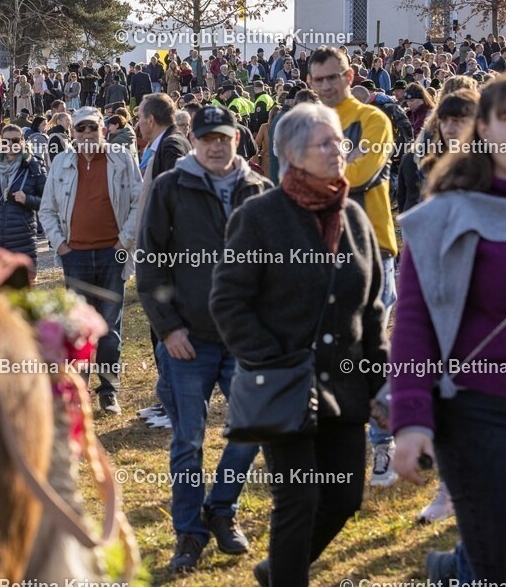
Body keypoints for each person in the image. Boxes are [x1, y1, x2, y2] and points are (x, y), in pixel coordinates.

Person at [210, 103, 389, 587]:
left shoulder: (354, 216)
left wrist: (379, 385)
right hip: (284, 387)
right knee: (298, 499)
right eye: (325, 143)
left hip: (344, 390)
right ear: (291, 154)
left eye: (340, 141)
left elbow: (371, 310)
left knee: (345, 497)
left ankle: (278, 571)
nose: (339, 151)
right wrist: (272, 360)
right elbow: (228, 301)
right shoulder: (260, 217)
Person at [392, 71, 506, 586]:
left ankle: (448, 573)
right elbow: (414, 323)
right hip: (484, 419)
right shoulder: (446, 215)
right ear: (482, 129)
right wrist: (411, 420)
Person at [136, 104, 271, 573]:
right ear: (194, 140)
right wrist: (168, 327)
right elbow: (149, 260)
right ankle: (189, 534)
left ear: (237, 139)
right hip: (188, 340)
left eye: (224, 137)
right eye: (207, 137)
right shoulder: (171, 185)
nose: (216, 146)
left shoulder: (260, 190)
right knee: (188, 441)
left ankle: (222, 507)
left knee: (253, 426)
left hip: (244, 340)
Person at [308, 46, 398, 486]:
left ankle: (383, 445)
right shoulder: (307, 124)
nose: (326, 85)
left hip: (373, 248)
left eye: (333, 77)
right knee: (330, 350)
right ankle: (335, 442)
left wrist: (315, 179)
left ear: (350, 74)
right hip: (322, 251)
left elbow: (364, 173)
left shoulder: (374, 117)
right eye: (318, 79)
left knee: (373, 350)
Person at [39, 106, 141, 415]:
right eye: (80, 128)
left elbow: (139, 201)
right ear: (73, 132)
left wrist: (124, 240)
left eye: (92, 128)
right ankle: (78, 393)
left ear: (102, 129)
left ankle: (109, 392)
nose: (86, 134)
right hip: (76, 257)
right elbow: (47, 209)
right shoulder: (61, 162)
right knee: (78, 330)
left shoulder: (122, 159)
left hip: (113, 254)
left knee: (110, 329)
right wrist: (60, 244)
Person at [134, 93, 193, 429]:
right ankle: (167, 400)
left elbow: (174, 204)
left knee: (168, 328)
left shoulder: (172, 147)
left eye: (140, 117)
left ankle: (176, 406)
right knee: (160, 331)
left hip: (169, 256)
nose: (137, 122)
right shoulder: (165, 144)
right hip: (160, 252)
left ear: (151, 119)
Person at [0, 124, 46, 267]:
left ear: (22, 141)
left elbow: (48, 202)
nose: (10, 144)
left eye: (15, 140)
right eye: (6, 141)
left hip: (22, 238)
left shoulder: (34, 167)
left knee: (23, 286)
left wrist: (28, 199)